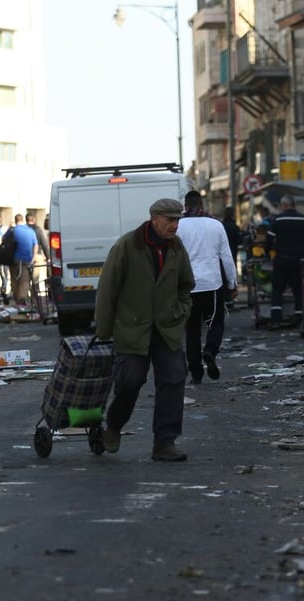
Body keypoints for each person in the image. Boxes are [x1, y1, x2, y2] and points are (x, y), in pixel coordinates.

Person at [94, 197, 195, 462]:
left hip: (167, 328)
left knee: (173, 378)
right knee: (129, 381)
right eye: (170, 220)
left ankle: (165, 443)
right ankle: (114, 426)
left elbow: (186, 285)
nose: (175, 226)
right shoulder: (128, 245)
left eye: (177, 220)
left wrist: (182, 312)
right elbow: (108, 289)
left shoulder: (176, 247)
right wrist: (104, 329)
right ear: (155, 219)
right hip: (132, 328)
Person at [178, 191, 237, 384]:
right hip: (212, 284)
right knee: (216, 323)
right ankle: (210, 350)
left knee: (192, 330)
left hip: (187, 286)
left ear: (185, 205)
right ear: (202, 203)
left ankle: (196, 373)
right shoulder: (215, 224)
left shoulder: (177, 226)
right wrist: (232, 283)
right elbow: (226, 257)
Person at [266, 195, 304, 328]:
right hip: (299, 260)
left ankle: (276, 320)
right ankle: (299, 318)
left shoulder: (278, 219)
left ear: (285, 205)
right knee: (298, 289)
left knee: (277, 289)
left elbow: (269, 240)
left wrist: (268, 253)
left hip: (281, 259)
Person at [9, 213, 38, 304]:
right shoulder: (30, 231)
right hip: (27, 259)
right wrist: (33, 258)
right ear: (23, 220)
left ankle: (17, 298)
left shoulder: (12, 230)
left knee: (14, 279)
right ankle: (22, 299)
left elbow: (4, 242)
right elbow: (35, 245)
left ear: (16, 220)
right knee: (25, 280)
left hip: (14, 260)